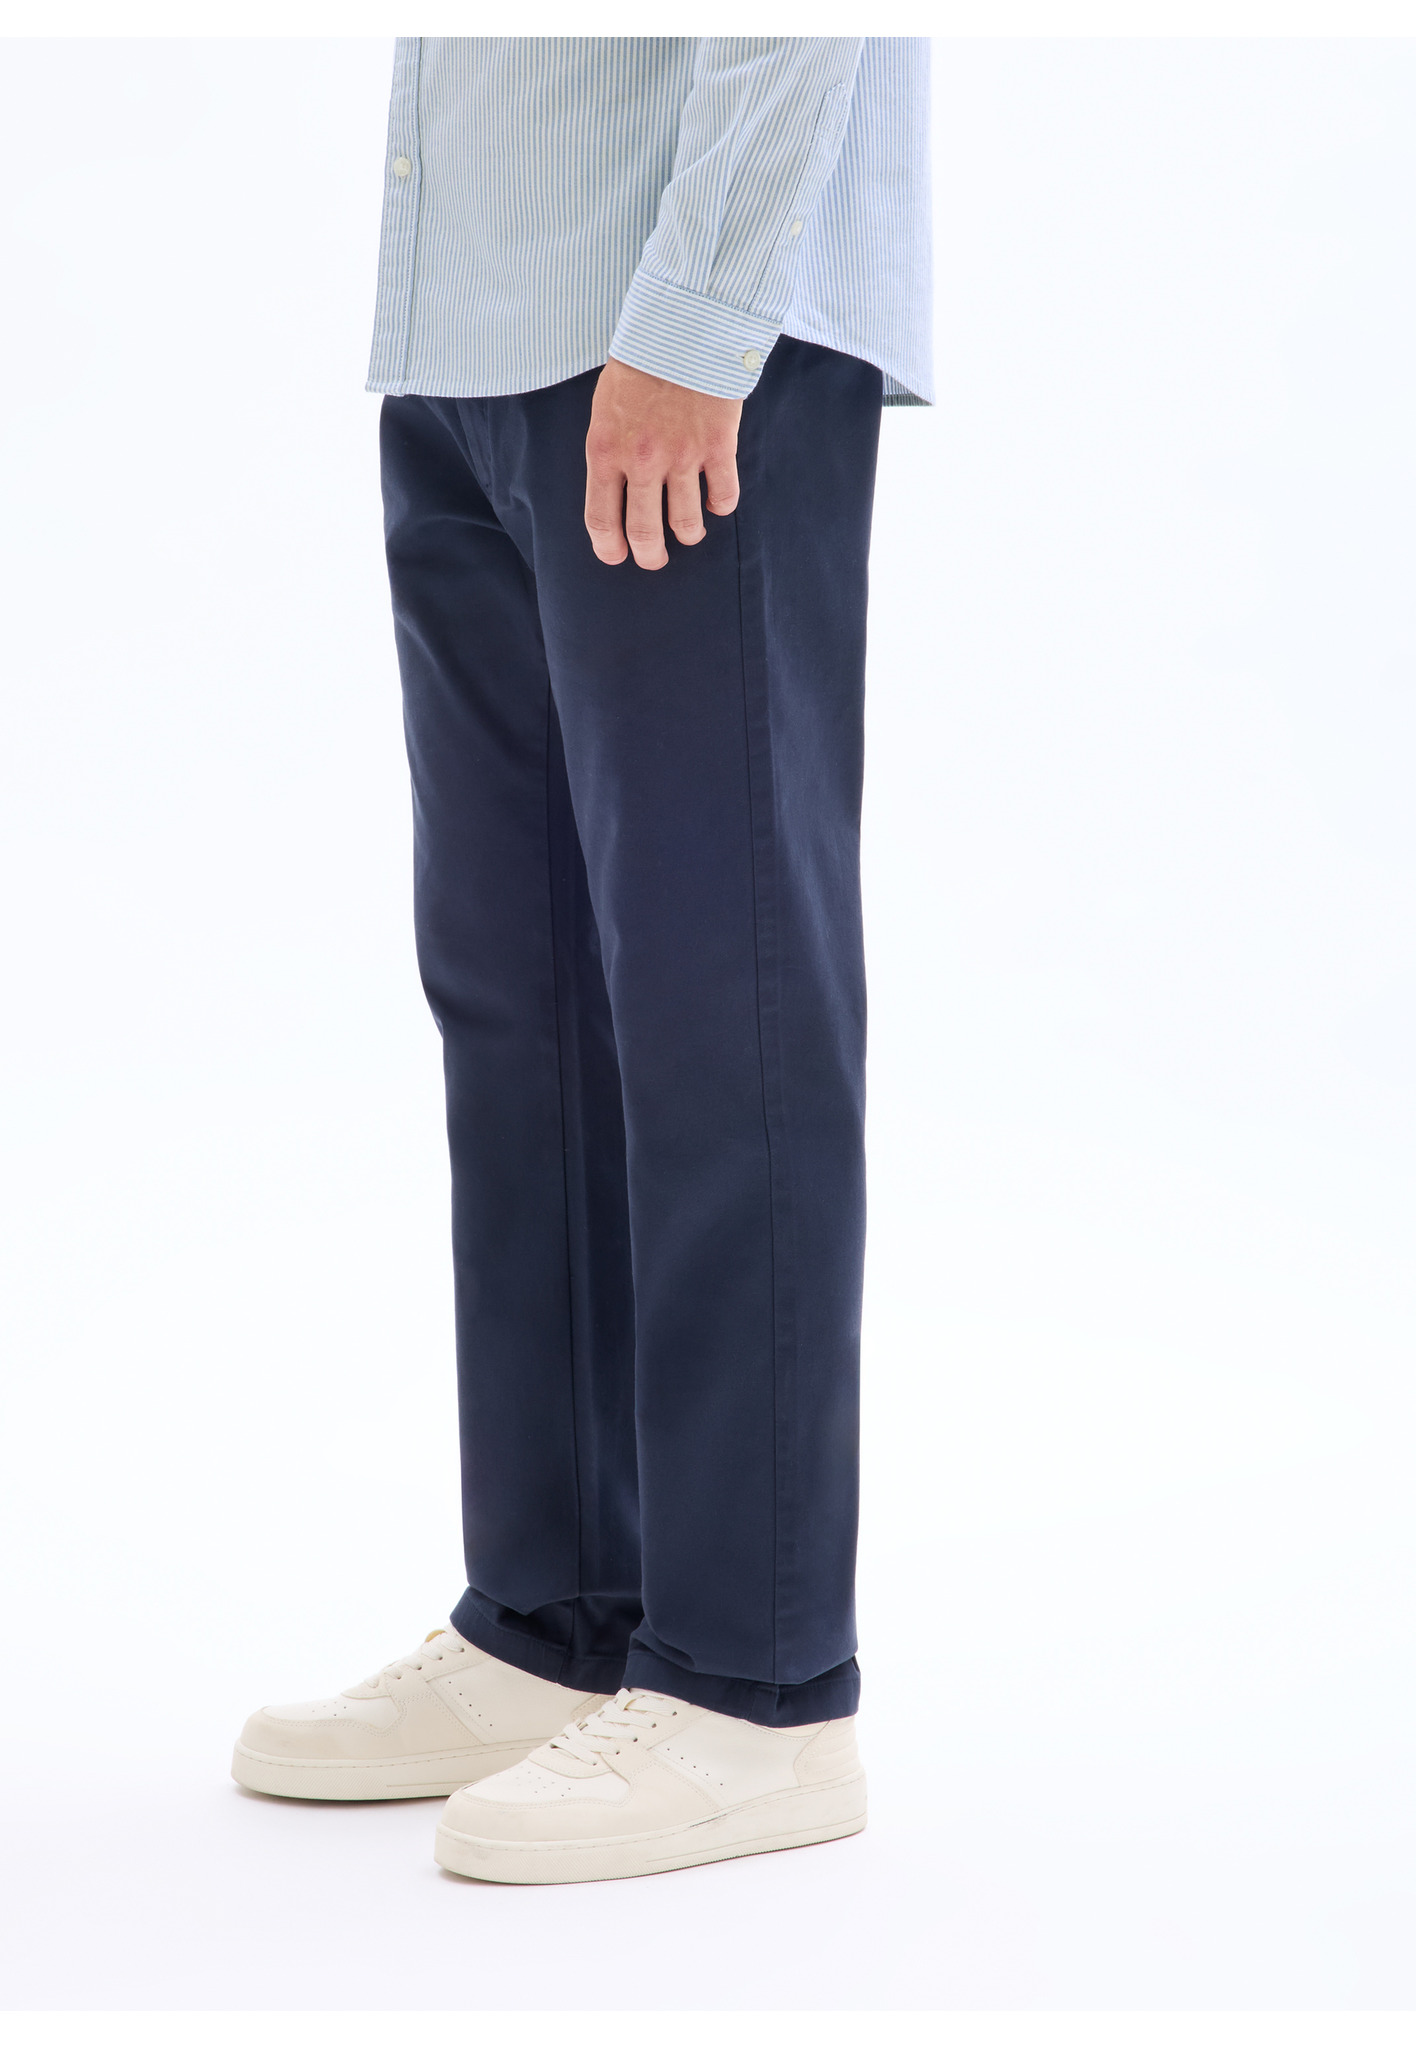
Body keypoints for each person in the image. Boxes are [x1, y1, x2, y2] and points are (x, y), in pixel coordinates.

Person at [232, 35, 932, 1885]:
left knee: (723, 1001)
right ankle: (555, 1618)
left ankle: (758, 1685)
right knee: (520, 1007)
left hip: (684, 323)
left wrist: (700, 320)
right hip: (474, 328)